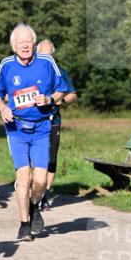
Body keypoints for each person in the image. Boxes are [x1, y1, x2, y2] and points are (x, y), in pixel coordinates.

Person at [0, 23, 74, 241]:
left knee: (40, 181)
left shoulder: (46, 62)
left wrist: (49, 99)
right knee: (23, 176)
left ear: (34, 44)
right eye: (20, 42)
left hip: (42, 128)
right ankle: (24, 223)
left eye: (28, 42)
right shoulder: (6, 65)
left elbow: (62, 89)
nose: (25, 46)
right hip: (16, 127)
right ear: (13, 45)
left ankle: (35, 205)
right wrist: (2, 107)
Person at [36, 40, 78, 210]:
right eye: (43, 55)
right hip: (35, 121)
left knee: (51, 159)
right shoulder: (30, 71)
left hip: (54, 121)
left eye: (50, 55)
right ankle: (34, 192)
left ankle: (45, 195)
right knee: (36, 159)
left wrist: (63, 100)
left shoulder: (60, 72)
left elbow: (73, 94)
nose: (47, 58)